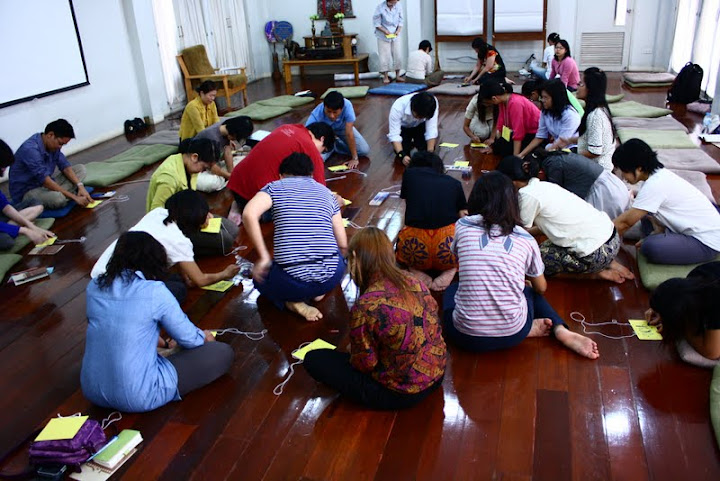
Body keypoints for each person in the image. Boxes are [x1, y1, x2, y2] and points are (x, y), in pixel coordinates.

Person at [442, 172, 599, 359]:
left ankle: (525, 327)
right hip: (514, 333)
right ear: (513, 203)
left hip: (464, 337)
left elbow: (459, 257)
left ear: (475, 199)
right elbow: (542, 288)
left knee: (452, 290)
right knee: (530, 291)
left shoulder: (462, 225)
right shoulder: (525, 238)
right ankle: (559, 330)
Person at [81, 231, 234, 413]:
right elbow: (190, 339)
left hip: (92, 389)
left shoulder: (94, 286)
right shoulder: (154, 291)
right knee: (221, 352)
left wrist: (166, 344)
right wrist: (205, 338)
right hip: (137, 396)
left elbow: (114, 328)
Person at [303, 226, 446, 410]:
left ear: (355, 258)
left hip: (402, 393)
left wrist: (355, 350)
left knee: (314, 359)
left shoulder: (367, 305)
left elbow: (365, 365)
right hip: (437, 373)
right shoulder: (414, 280)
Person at [497, 155, 634, 283]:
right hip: (612, 241)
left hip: (595, 254)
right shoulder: (544, 185)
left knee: (535, 261)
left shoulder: (526, 195)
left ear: (510, 182)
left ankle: (595, 274)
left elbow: (519, 235)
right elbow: (547, 226)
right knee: (547, 245)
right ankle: (610, 263)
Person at [244, 153, 347, 321]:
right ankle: (317, 291)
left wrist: (263, 257)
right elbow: (343, 244)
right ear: (311, 174)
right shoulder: (327, 193)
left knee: (259, 278)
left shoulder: (274, 187)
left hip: (292, 283)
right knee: (339, 259)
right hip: (331, 277)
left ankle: (293, 302)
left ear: (281, 176)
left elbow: (249, 214)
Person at [92, 190, 240, 295]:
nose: (209, 217)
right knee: (178, 290)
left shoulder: (158, 213)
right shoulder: (179, 241)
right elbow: (200, 280)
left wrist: (186, 276)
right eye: (206, 215)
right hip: (115, 289)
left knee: (175, 279)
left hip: (99, 276)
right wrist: (224, 274)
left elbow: (177, 255)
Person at [612, 139, 720, 265]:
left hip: (706, 242)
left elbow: (625, 222)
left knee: (650, 247)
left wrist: (600, 237)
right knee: (645, 215)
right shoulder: (658, 175)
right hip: (696, 226)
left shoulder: (655, 185)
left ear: (639, 169)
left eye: (624, 172)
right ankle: (663, 234)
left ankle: (663, 237)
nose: (623, 177)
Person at [396, 151, 467, 290]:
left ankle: (414, 268)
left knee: (402, 245)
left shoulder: (409, 175)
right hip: (446, 249)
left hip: (416, 248)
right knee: (462, 248)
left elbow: (408, 206)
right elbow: (463, 214)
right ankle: (451, 269)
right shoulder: (455, 183)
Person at [227, 123, 334, 214]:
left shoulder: (287, 127)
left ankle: (240, 207)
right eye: (323, 150)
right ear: (322, 139)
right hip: (256, 196)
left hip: (236, 181)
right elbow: (321, 193)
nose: (320, 154)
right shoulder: (310, 147)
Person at [10, 119, 93, 209]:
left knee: (80, 169)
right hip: (28, 192)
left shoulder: (52, 146)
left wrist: (80, 186)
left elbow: (65, 167)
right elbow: (45, 181)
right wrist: (74, 197)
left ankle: (64, 194)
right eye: (60, 143)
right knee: (58, 199)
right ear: (50, 135)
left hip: (45, 186)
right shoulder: (30, 150)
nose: (60, 147)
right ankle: (66, 194)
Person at [646, 262, 720, 361]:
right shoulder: (699, 273)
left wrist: (679, 327)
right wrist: (662, 307)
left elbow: (712, 352)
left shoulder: (715, 306)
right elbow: (677, 294)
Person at [529, 149, 630, 219]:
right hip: (611, 186)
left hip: (603, 193)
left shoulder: (552, 165)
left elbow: (554, 196)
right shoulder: (555, 157)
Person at [0, 139, 54, 249]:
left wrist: (32, 227)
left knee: (36, 204)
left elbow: (5, 207)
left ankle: (8, 227)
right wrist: (25, 230)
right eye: (2, 167)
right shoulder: (30, 149)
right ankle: (8, 228)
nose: (4, 170)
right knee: (7, 242)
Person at [565, 67, 616, 171]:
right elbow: (589, 138)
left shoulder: (596, 115)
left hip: (598, 172)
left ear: (590, 88)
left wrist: (572, 157)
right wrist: (568, 140)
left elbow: (595, 151)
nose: (577, 86)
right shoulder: (599, 109)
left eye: (581, 84)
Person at [518, 79, 581, 157]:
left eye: (546, 97)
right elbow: (540, 136)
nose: (542, 100)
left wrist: (545, 152)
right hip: (554, 146)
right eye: (542, 97)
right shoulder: (545, 112)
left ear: (556, 98)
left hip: (570, 150)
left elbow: (562, 142)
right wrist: (521, 155)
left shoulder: (570, 115)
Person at [305, 91, 369, 168]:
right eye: (328, 111)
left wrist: (354, 158)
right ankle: (331, 146)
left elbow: (349, 133)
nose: (332, 116)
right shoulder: (316, 115)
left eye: (335, 112)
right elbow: (306, 136)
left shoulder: (347, 106)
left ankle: (335, 145)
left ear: (342, 109)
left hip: (342, 128)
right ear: (324, 107)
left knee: (363, 150)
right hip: (325, 136)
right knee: (317, 159)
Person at [478, 81, 540, 157]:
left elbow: (518, 131)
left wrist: (515, 157)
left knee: (507, 154)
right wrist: (497, 146)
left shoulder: (515, 103)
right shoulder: (502, 102)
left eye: (488, 103)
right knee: (500, 148)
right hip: (523, 132)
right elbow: (501, 124)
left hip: (534, 133)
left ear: (494, 98)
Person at [193, 115, 254, 185]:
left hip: (213, 160)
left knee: (244, 159)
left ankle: (224, 178)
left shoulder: (227, 127)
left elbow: (227, 152)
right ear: (233, 135)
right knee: (211, 183)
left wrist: (232, 173)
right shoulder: (212, 138)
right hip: (199, 164)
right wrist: (229, 177)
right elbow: (212, 167)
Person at [388, 92, 439, 166]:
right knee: (403, 151)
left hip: (420, 126)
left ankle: (415, 142)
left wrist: (430, 154)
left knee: (425, 150)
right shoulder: (397, 107)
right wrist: (402, 155)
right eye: (418, 116)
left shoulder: (432, 104)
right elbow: (394, 135)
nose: (419, 118)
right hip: (403, 128)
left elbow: (431, 130)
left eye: (422, 117)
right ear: (412, 108)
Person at [373, 0, 404, 84]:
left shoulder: (399, 6)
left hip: (395, 34)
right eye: (393, 2)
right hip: (383, 35)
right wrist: (385, 31)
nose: (395, 3)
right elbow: (376, 23)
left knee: (397, 54)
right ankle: (385, 76)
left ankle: (398, 75)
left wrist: (398, 31)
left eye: (396, 2)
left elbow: (401, 21)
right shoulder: (380, 8)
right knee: (384, 56)